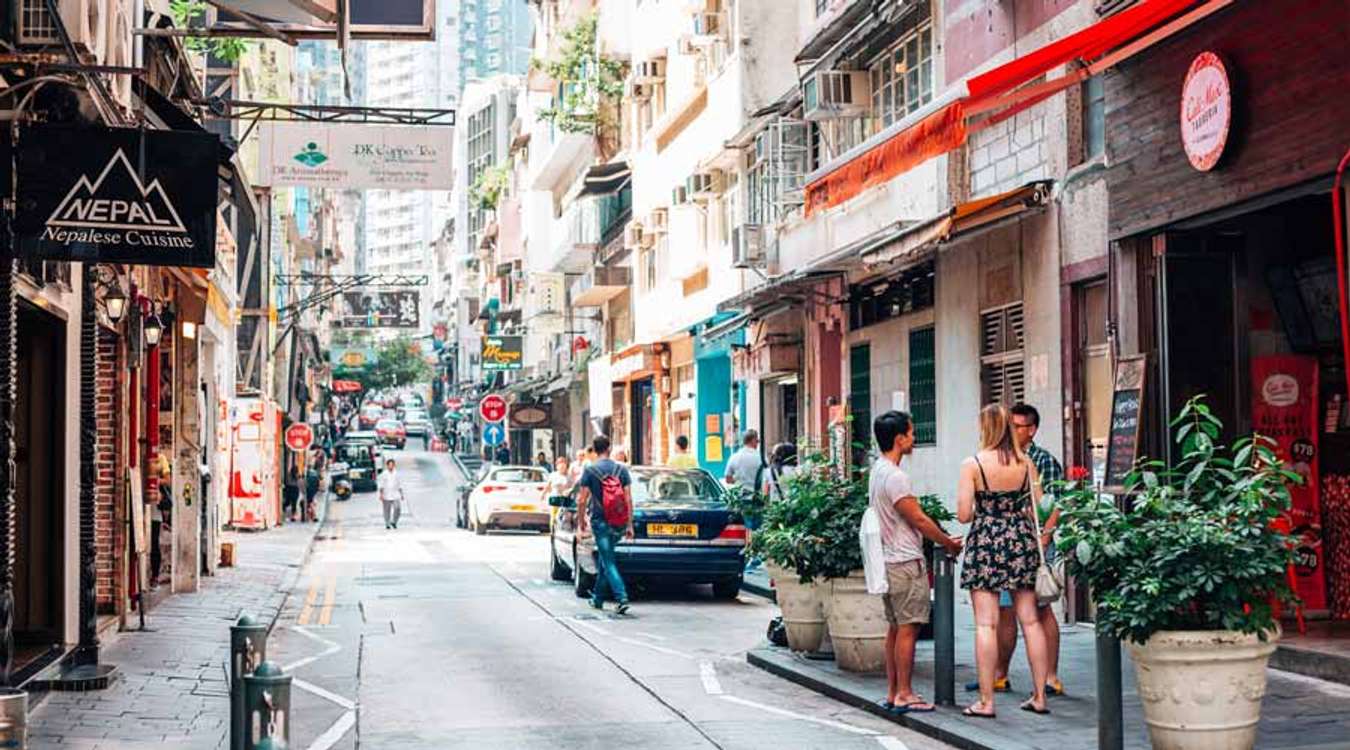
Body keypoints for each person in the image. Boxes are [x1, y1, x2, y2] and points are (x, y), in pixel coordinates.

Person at [957, 404, 1053, 718]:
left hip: (986, 540)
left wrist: (986, 507)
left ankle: (986, 701)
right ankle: (1040, 696)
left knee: (986, 623)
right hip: (1021, 540)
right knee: (1031, 620)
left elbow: (963, 514)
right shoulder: (1026, 463)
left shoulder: (972, 464)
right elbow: (1042, 507)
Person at [870, 412, 963, 715]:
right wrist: (948, 542)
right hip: (905, 562)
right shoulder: (896, 477)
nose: (914, 438)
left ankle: (894, 691)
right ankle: (905, 693)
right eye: (910, 433)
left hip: (888, 561)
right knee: (908, 628)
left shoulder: (877, 471)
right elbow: (919, 518)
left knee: (896, 629)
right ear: (899, 439)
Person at [576, 435, 633, 615]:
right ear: (609, 448)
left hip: (600, 521)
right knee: (604, 559)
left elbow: (582, 499)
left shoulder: (590, 470)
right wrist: (630, 524)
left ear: (594, 449)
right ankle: (598, 599)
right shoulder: (621, 470)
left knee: (608, 561)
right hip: (618, 522)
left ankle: (621, 597)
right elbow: (628, 498)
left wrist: (580, 522)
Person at [377, 458, 404, 529]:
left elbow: (400, 484)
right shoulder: (384, 474)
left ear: (394, 465)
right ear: (387, 466)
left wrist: (401, 494)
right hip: (386, 494)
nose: (391, 466)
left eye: (392, 465)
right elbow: (381, 485)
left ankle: (394, 521)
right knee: (386, 510)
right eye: (389, 465)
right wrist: (381, 495)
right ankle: (387, 523)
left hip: (395, 494)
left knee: (397, 508)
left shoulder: (397, 474)